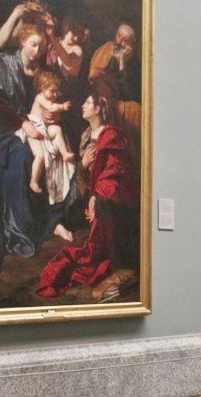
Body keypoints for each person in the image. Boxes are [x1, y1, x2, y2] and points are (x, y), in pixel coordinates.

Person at [37, 88, 139, 297]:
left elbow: (115, 173)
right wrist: (83, 166)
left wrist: (96, 196)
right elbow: (83, 178)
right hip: (91, 195)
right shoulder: (85, 136)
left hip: (113, 199)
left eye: (87, 103)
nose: (83, 106)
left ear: (99, 108)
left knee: (102, 206)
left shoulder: (111, 135)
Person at [18, 70, 74, 199]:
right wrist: (63, 107)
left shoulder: (48, 98)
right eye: (52, 91)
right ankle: (34, 181)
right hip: (34, 132)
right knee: (40, 156)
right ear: (43, 88)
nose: (55, 94)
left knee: (57, 130)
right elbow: (52, 107)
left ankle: (65, 154)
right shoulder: (40, 98)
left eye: (56, 91)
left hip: (43, 131)